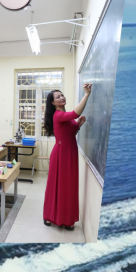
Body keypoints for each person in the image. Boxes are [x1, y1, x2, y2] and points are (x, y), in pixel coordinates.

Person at [43, 84, 91, 231]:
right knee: (57, 185)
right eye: (58, 97)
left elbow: (69, 133)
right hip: (61, 153)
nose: (62, 98)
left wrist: (78, 125)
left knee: (68, 185)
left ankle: (66, 219)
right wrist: (86, 95)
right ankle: (49, 216)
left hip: (70, 152)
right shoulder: (58, 115)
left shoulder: (66, 117)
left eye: (62, 95)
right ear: (53, 102)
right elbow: (75, 114)